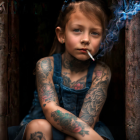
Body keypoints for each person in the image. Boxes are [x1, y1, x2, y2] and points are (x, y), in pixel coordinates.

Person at [8, 0, 115, 140]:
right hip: (48, 129)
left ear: (102, 39)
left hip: (83, 129)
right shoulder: (46, 66)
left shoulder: (101, 73)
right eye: (77, 30)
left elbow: (86, 123)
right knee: (39, 127)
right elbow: (50, 110)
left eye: (94, 33)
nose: (86, 39)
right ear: (61, 35)